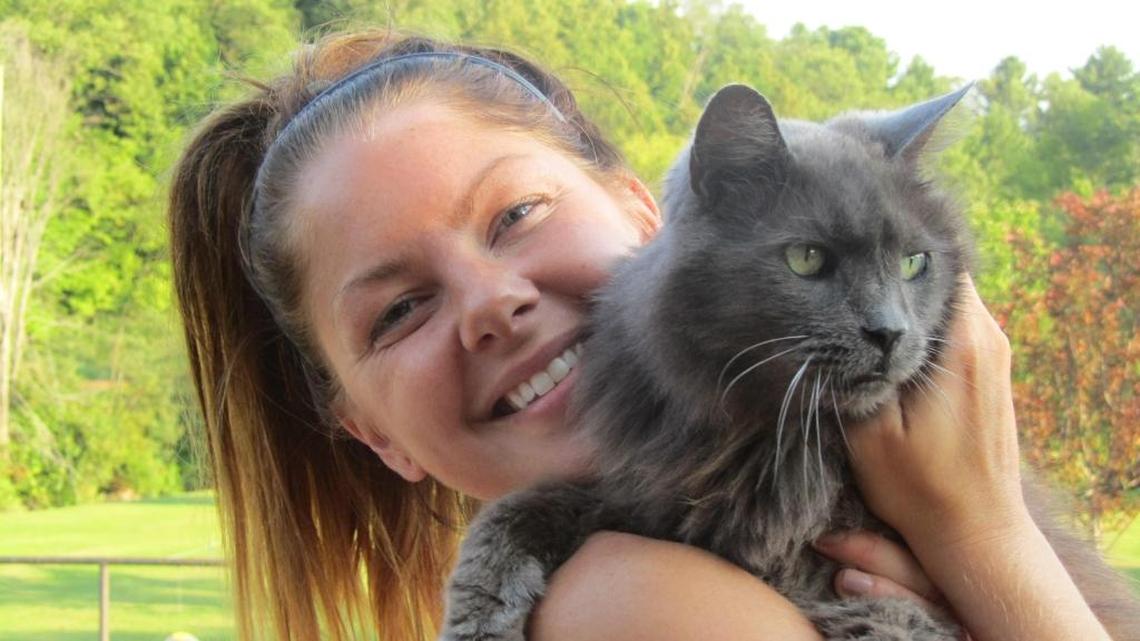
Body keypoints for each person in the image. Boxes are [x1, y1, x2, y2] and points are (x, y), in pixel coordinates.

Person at [167, 30, 1113, 641]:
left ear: (646, 211)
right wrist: (986, 539)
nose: (494, 302)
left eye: (517, 215)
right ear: (372, 432)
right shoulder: (627, 605)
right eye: (400, 309)